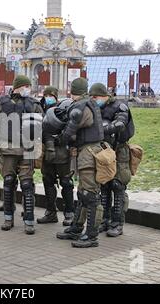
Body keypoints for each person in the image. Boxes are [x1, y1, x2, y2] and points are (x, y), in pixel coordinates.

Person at [0, 75, 44, 235]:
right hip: (7, 151)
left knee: (27, 185)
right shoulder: (0, 105)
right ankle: (8, 218)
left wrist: (39, 151)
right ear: (16, 87)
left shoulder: (34, 105)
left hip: (27, 151)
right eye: (25, 86)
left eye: (29, 86)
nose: (28, 89)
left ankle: (29, 220)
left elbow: (41, 129)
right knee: (8, 183)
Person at [56, 78, 105, 248]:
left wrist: (60, 138)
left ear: (73, 90)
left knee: (90, 195)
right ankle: (76, 228)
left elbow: (71, 128)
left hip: (89, 152)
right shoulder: (89, 103)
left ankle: (91, 235)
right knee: (83, 193)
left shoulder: (82, 107)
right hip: (87, 150)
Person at [89, 83, 135, 237]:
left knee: (118, 184)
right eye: (92, 97)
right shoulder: (95, 108)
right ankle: (105, 220)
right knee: (105, 184)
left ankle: (117, 222)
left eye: (95, 97)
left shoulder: (120, 106)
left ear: (104, 95)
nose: (94, 99)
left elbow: (121, 124)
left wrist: (102, 130)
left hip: (119, 149)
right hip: (103, 150)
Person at [39, 87, 75, 226]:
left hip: (61, 153)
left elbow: (71, 130)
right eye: (46, 95)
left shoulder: (63, 109)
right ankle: (50, 212)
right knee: (48, 181)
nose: (48, 98)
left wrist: (60, 139)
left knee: (66, 182)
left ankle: (69, 213)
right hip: (47, 153)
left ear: (55, 96)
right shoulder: (41, 110)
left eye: (50, 95)